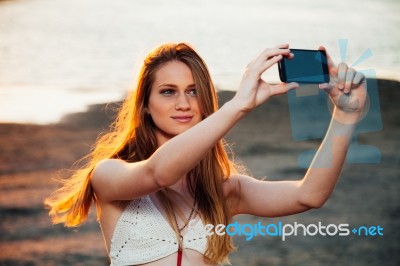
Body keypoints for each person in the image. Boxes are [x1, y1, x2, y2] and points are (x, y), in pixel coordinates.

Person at [45, 42, 367, 266]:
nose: (183, 103)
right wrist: (238, 106)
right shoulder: (110, 175)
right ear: (144, 105)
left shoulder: (225, 190)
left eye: (194, 91)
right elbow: (159, 174)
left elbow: (308, 195)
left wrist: (346, 116)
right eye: (168, 92)